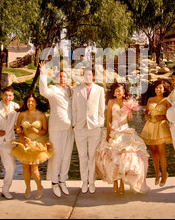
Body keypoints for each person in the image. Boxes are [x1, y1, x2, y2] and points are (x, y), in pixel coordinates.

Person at [96, 83, 149, 194]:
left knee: (124, 158)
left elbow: (129, 119)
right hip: (114, 131)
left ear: (124, 92)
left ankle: (122, 182)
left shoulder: (127, 103)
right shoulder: (111, 102)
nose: (117, 93)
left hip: (125, 131)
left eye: (119, 91)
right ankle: (115, 181)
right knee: (113, 157)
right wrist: (108, 134)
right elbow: (108, 119)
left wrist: (130, 110)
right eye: (116, 91)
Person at [39, 61, 74, 198]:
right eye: (60, 77)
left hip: (70, 127)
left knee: (67, 155)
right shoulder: (52, 89)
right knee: (56, 154)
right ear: (56, 78)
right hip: (56, 127)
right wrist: (43, 74)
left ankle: (62, 180)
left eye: (64, 77)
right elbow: (43, 91)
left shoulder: (70, 90)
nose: (62, 79)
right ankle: (54, 182)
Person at [11, 93, 52, 200]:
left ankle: (39, 187)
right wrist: (22, 137)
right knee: (25, 168)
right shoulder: (22, 115)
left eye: (32, 101)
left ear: (36, 103)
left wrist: (36, 131)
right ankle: (28, 187)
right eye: (28, 101)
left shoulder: (41, 115)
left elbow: (45, 131)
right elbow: (18, 129)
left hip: (37, 143)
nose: (30, 103)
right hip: (25, 142)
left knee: (34, 168)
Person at [72, 68, 105, 194]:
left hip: (94, 127)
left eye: (90, 74)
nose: (87, 76)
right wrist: (74, 123)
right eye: (85, 74)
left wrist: (100, 124)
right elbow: (74, 108)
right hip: (79, 127)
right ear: (83, 76)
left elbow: (101, 109)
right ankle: (84, 181)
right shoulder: (77, 89)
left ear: (93, 76)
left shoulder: (99, 90)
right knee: (82, 156)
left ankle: (92, 181)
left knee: (92, 156)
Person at [141, 80, 172, 187]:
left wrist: (163, 116)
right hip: (150, 126)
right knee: (153, 151)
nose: (158, 90)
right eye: (157, 88)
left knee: (161, 151)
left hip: (161, 127)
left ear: (164, 89)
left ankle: (164, 174)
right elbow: (146, 111)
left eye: (160, 88)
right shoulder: (150, 99)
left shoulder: (167, 101)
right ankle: (157, 173)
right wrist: (146, 116)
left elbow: (171, 115)